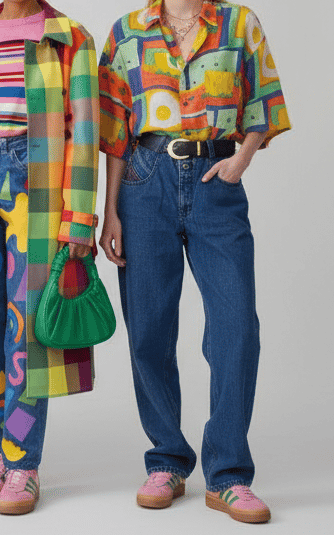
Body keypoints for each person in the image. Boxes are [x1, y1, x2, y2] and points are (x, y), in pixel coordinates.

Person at [98, 0, 289, 523]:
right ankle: (167, 460)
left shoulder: (239, 23)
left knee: (236, 327)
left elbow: (265, 103)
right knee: (148, 329)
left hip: (215, 180)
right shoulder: (126, 31)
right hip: (143, 181)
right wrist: (110, 211)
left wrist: (241, 159)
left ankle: (228, 473)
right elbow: (114, 132)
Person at [0, 0, 100, 516]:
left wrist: (79, 219)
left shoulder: (71, 38)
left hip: (38, 185)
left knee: (25, 326)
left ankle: (23, 463)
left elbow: (85, 135)